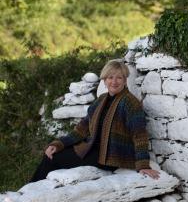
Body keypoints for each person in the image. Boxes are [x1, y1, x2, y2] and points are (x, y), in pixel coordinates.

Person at [31, 59, 160, 182]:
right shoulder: (101, 100)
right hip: (93, 150)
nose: (114, 82)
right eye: (110, 77)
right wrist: (59, 144)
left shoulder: (130, 102)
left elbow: (139, 134)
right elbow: (81, 130)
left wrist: (143, 164)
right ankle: (30, 190)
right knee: (52, 153)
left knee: (55, 159)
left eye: (119, 77)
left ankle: (30, 192)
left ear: (125, 80)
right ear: (104, 80)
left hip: (112, 157)